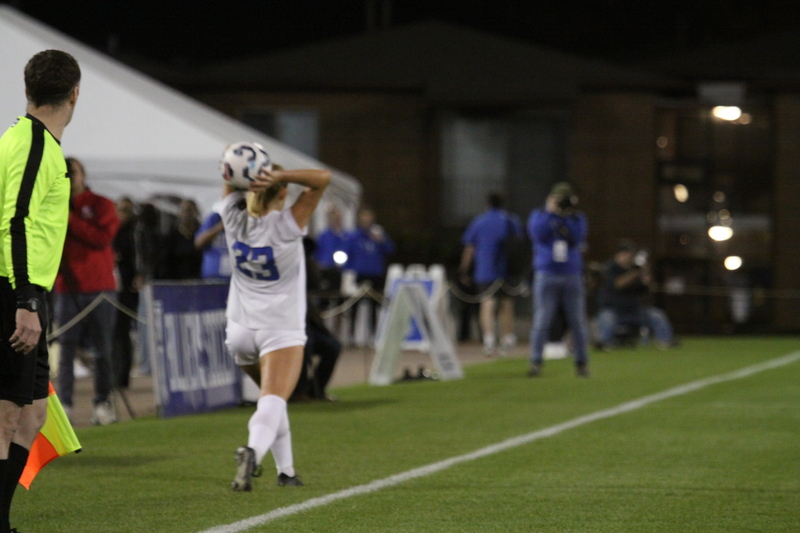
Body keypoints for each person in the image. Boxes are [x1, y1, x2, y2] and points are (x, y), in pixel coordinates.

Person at [0, 49, 80, 533]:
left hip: (28, 294)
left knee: (32, 416)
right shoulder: (31, 143)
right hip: (14, 293)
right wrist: (26, 300)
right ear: (75, 94)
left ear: (29, 90)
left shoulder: (29, 141)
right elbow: (16, 222)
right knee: (8, 415)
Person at [220, 158, 330, 491]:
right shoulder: (286, 225)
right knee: (273, 399)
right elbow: (322, 178)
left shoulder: (232, 217)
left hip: (239, 330)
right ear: (282, 193)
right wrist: (281, 174)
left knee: (274, 398)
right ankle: (252, 452)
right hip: (280, 328)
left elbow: (227, 165)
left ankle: (287, 472)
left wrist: (248, 169)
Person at [54, 157, 120, 425]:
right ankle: (65, 405)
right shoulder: (50, 206)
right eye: (65, 173)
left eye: (74, 172)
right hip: (65, 286)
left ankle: (102, 403)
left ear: (83, 175)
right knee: (65, 350)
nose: (70, 178)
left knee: (102, 350)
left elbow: (101, 238)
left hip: (99, 288)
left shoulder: (101, 204)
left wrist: (68, 218)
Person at [527, 182, 590, 377]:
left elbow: (577, 238)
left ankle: (581, 363)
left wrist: (565, 216)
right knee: (542, 319)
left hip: (571, 275)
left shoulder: (577, 218)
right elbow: (537, 234)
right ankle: (536, 362)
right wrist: (551, 213)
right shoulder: (539, 216)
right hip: (547, 274)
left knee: (577, 321)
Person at [458, 192, 523, 356]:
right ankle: (507, 338)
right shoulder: (511, 221)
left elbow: (469, 247)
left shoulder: (479, 222)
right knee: (506, 304)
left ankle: (489, 340)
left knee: (487, 304)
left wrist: (464, 269)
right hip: (506, 269)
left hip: (485, 270)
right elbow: (519, 245)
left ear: (487, 204)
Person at [595, 240, 676, 349]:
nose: (627, 256)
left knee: (657, 315)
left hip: (634, 311)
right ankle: (604, 343)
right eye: (624, 253)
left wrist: (646, 275)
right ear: (617, 254)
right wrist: (636, 272)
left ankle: (665, 341)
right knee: (606, 318)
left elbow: (645, 288)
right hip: (614, 310)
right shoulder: (610, 268)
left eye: (629, 253)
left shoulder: (634, 268)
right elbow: (618, 283)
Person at [292, 238, 341, 402]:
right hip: (286, 320)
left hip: (306, 318)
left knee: (332, 347)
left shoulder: (304, 257)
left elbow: (314, 282)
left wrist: (305, 257)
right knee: (304, 346)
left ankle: (314, 391)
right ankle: (297, 393)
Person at [343, 206, 395, 341]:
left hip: (375, 274)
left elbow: (390, 250)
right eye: (364, 217)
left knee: (374, 306)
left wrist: (381, 240)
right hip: (360, 274)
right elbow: (347, 254)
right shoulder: (353, 236)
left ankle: (373, 336)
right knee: (354, 305)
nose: (366, 220)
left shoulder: (378, 234)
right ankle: (352, 336)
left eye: (369, 217)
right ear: (360, 219)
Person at [112, 197, 138, 389]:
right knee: (112, 334)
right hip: (109, 289)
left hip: (127, 290)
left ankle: (122, 376)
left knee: (122, 333)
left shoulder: (136, 232)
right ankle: (113, 374)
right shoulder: (111, 232)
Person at [161, 198, 202, 279]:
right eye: (183, 210)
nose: (186, 214)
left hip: (197, 280)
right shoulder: (172, 237)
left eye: (189, 210)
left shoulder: (201, 234)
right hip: (177, 281)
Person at [194, 206, 232, 281]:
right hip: (213, 278)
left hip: (235, 279)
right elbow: (198, 243)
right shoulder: (214, 218)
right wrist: (220, 226)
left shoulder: (243, 220)